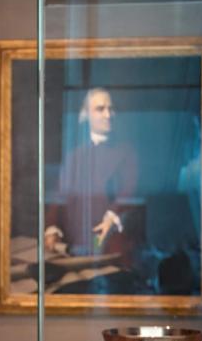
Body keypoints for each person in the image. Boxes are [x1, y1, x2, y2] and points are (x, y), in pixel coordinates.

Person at [45, 88, 139, 261]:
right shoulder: (74, 156)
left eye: (111, 109)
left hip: (108, 244)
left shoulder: (126, 152)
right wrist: (51, 227)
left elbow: (128, 192)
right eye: (100, 109)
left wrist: (112, 217)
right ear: (86, 115)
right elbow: (60, 195)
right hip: (75, 245)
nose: (108, 115)